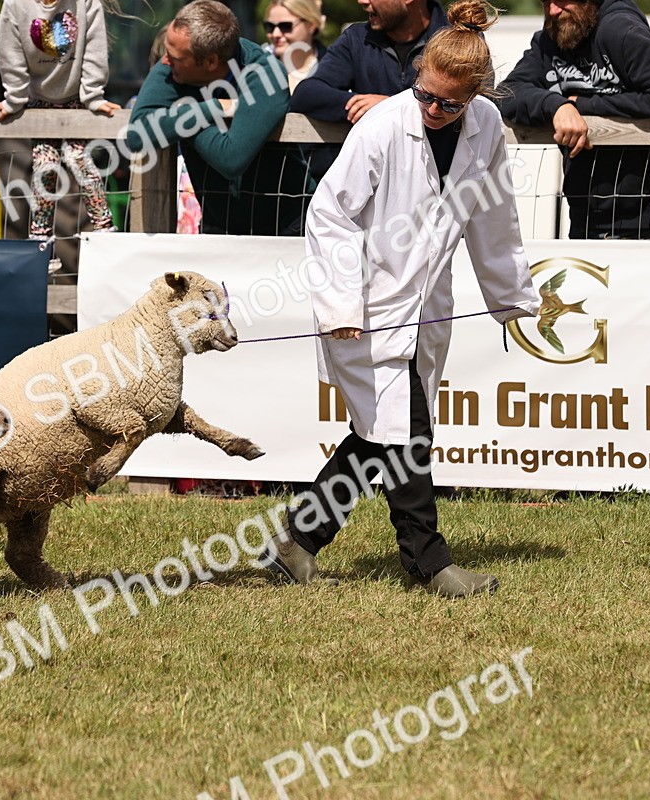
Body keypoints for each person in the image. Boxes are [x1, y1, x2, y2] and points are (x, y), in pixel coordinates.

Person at [261, 0, 539, 598]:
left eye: (450, 103)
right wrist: (339, 307)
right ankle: (429, 563)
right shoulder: (385, 125)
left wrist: (510, 295)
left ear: (476, 95)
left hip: (425, 304)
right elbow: (329, 215)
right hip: (364, 303)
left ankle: (296, 542)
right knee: (406, 432)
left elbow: (493, 215)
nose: (434, 110)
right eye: (426, 95)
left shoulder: (487, 127)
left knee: (377, 435)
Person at [497, 0, 650, 240]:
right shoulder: (548, 41)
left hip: (645, 221)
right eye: (545, 2)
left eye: (561, 0)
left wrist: (583, 105)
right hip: (583, 216)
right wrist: (556, 106)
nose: (552, 11)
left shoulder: (619, 30)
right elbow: (506, 94)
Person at [126, 0, 310, 236]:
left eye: (176, 57)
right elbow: (137, 135)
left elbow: (231, 158)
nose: (164, 61)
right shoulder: (174, 62)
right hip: (217, 224)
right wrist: (209, 108)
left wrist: (182, 118)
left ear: (211, 61)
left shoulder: (265, 73)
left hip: (288, 224)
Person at [0, 0, 120, 240]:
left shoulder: (86, 4)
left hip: (76, 99)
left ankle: (104, 230)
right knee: (45, 165)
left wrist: (92, 96)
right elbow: (10, 54)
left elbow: (94, 48)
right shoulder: (16, 5)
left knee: (79, 160)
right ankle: (41, 239)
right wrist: (15, 99)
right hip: (39, 102)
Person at [290, 0, 448, 125]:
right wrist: (365, 107)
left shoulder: (457, 39)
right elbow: (306, 94)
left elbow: (465, 105)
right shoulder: (356, 39)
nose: (362, 1)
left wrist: (390, 106)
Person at [263, 0, 326, 91]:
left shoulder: (335, 69)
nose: (275, 34)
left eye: (286, 26)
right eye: (270, 26)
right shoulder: (258, 68)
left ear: (311, 25)